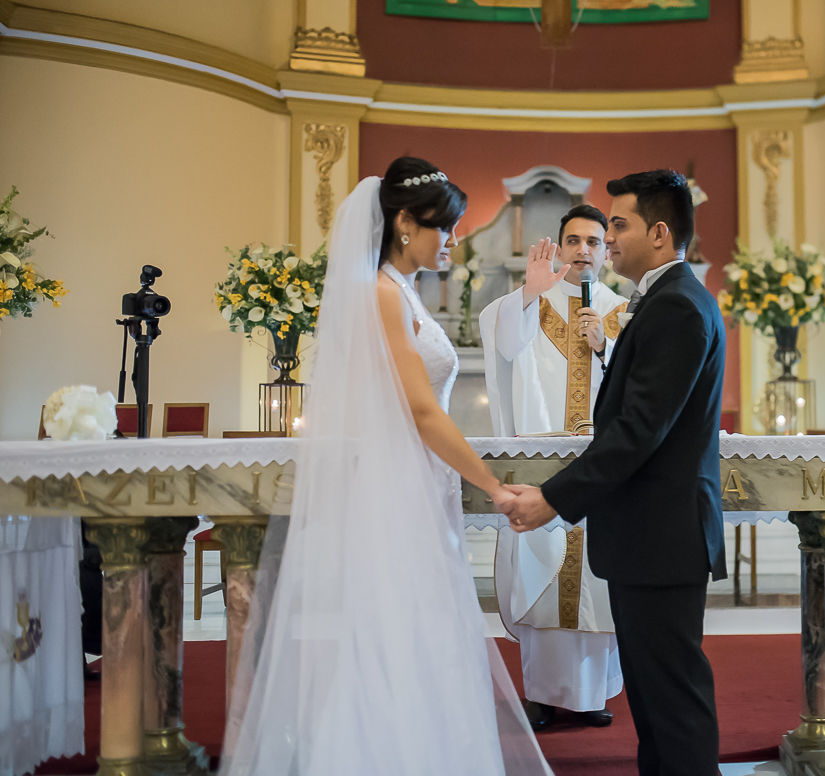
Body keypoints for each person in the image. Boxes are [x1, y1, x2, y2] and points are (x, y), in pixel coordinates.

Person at [218, 157, 551, 776]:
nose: (451, 239)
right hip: (391, 492)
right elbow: (422, 413)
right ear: (404, 223)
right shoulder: (376, 294)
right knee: (389, 630)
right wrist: (493, 486)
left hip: (421, 486)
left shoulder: (404, 292)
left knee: (418, 632)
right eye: (442, 227)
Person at [503, 169, 727, 776]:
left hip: (663, 535)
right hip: (650, 536)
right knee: (655, 700)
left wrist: (551, 499)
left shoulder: (676, 305)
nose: (609, 239)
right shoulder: (661, 299)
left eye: (619, 225)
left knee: (672, 699)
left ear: (658, 232)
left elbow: (635, 433)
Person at [480, 206, 627, 730]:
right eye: (573, 240)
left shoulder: (623, 309)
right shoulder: (531, 301)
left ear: (607, 249)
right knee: (542, 571)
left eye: (593, 240)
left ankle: (593, 695)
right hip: (541, 463)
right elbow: (501, 341)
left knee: (597, 580)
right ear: (559, 246)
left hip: (603, 465)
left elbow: (641, 383)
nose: (583, 250)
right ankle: (541, 693)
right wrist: (527, 291)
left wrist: (605, 344)